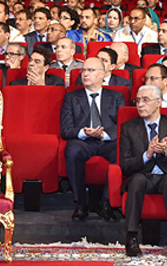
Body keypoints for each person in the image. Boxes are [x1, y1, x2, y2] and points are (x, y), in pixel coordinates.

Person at [120, 84, 167, 260]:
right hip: (142, 176)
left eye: (145, 100)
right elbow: (125, 165)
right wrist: (147, 154)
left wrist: (166, 151)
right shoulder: (128, 127)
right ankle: (131, 238)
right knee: (136, 180)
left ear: (159, 102)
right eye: (138, 100)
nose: (140, 104)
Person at [60, 57, 125, 221]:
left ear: (102, 74)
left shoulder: (116, 96)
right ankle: (81, 203)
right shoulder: (72, 97)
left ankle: (106, 203)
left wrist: (104, 134)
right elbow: (66, 129)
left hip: (108, 141)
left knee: (123, 150)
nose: (85, 74)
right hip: (83, 142)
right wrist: (84, 132)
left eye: (91, 70)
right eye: (83, 70)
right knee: (72, 150)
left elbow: (123, 126)